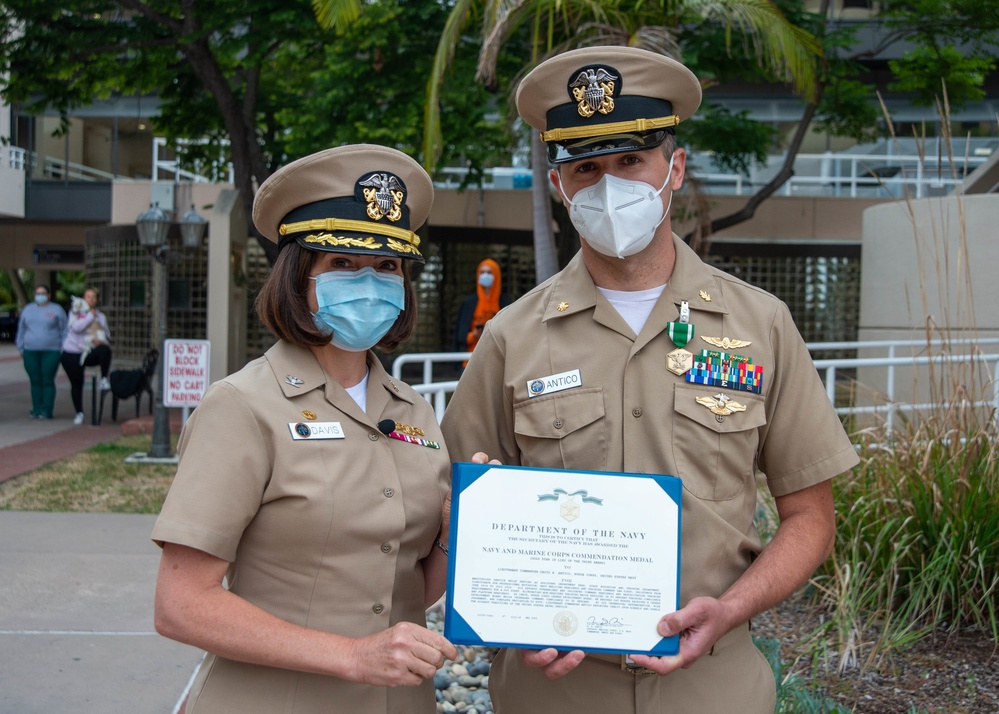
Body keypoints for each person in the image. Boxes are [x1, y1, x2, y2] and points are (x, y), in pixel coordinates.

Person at [439, 46, 861, 713]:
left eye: (630, 161)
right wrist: (505, 606)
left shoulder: (760, 325)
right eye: (585, 168)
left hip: (712, 687)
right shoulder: (510, 338)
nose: (609, 187)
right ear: (559, 188)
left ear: (674, 167)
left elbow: (809, 516)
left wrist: (728, 609)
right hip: (553, 691)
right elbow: (457, 502)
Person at [151, 144, 458, 713]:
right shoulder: (242, 406)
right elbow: (181, 604)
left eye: (388, 267)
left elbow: (406, 587)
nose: (370, 283)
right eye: (343, 263)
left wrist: (455, 527)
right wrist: (351, 655)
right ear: (299, 276)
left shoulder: (414, 410)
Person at [60, 287, 113, 425]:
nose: (91, 299)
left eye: (93, 297)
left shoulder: (101, 316)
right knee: (77, 383)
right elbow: (76, 328)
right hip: (72, 352)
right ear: (83, 298)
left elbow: (107, 335)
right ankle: (79, 412)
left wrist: (100, 341)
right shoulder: (75, 312)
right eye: (88, 296)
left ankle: (103, 378)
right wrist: (90, 316)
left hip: (89, 350)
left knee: (105, 350)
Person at [15, 284, 67, 420]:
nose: (40, 296)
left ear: (49, 295)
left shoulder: (57, 310)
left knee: (47, 380)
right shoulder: (28, 309)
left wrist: (62, 348)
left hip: (51, 351)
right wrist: (20, 347)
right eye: (38, 293)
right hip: (30, 351)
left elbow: (64, 330)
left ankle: (46, 410)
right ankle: (36, 409)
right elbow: (21, 329)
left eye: (43, 293)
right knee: (35, 380)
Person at [451, 258, 512, 355]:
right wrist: (474, 335)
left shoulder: (505, 303)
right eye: (482, 272)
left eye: (489, 272)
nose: (485, 275)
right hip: (470, 358)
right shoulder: (469, 303)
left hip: (497, 357)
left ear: (496, 275)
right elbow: (460, 337)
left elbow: (510, 333)